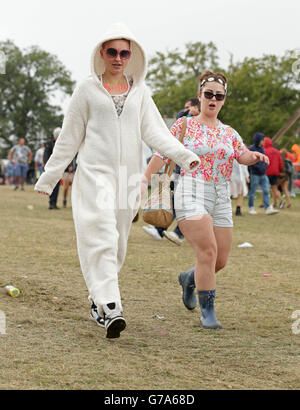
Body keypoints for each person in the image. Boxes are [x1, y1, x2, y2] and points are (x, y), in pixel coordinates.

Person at [34, 23, 199, 339]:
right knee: (102, 237)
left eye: (125, 52)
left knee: (119, 243)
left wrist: (184, 155)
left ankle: (97, 301)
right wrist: (49, 177)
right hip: (94, 175)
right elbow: (69, 138)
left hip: (128, 181)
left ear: (132, 55)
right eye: (113, 51)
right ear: (101, 53)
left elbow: (155, 132)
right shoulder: (85, 90)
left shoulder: (140, 91)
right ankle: (111, 306)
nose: (119, 57)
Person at [144, 71, 270, 330]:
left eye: (219, 96)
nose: (213, 99)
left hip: (221, 195)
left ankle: (190, 278)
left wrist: (254, 157)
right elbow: (162, 154)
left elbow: (241, 155)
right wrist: (144, 180)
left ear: (224, 100)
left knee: (219, 261)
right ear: (200, 96)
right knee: (208, 252)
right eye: (209, 94)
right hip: (191, 189)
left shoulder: (229, 132)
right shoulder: (184, 125)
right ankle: (208, 312)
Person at [143, 98, 201, 245]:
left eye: (189, 107)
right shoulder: (185, 120)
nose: (186, 109)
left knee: (186, 204)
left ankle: (175, 232)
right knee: (174, 200)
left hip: (194, 172)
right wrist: (186, 112)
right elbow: (178, 123)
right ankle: (161, 229)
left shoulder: (204, 124)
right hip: (179, 169)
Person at [247, 132, 278, 215]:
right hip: (255, 174)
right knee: (252, 191)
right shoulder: (251, 148)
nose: (264, 141)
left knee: (266, 190)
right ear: (258, 140)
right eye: (262, 140)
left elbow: (263, 160)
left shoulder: (262, 149)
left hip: (263, 174)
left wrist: (264, 168)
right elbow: (251, 161)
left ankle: (267, 208)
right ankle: (251, 207)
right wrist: (259, 168)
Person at [43, 128, 62, 209]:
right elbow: (46, 155)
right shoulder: (49, 143)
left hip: (58, 167)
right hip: (51, 167)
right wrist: (48, 166)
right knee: (52, 185)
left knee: (56, 186)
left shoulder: (61, 143)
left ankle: (53, 203)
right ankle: (51, 202)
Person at [263, 137, 283, 208]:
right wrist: (279, 170)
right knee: (274, 188)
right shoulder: (277, 151)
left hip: (267, 172)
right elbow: (281, 162)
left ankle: (280, 201)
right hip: (275, 172)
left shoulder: (264, 151)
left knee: (265, 188)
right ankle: (275, 203)